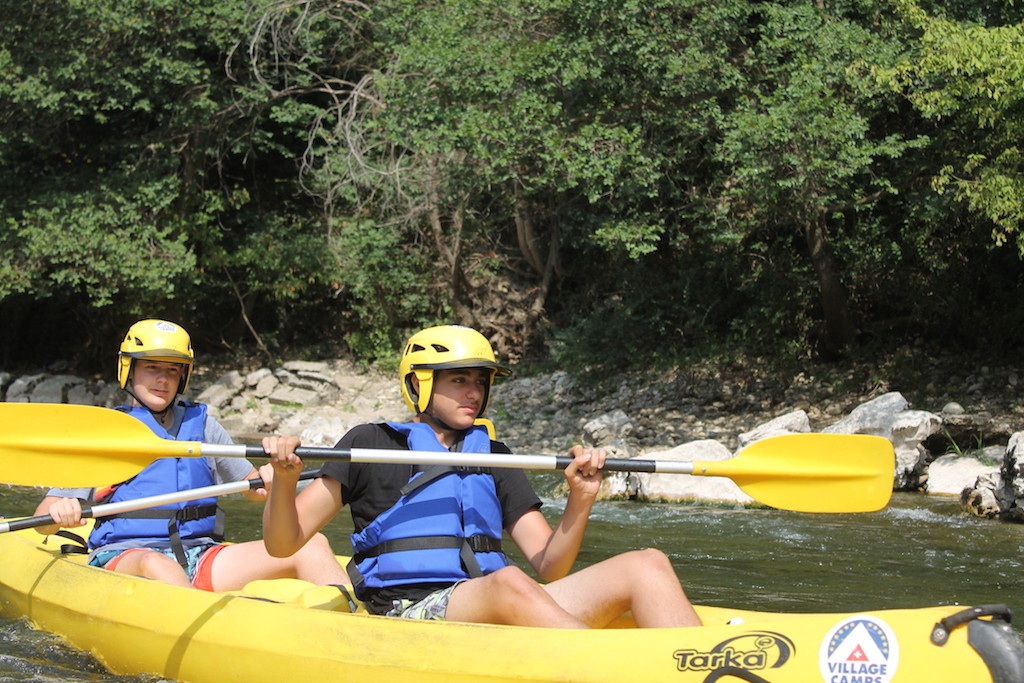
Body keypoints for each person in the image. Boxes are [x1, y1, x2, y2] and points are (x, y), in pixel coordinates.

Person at [262, 324, 703, 628]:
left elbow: (551, 564)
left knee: (647, 564)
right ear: (419, 384)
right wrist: (284, 480)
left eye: (480, 381)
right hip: (412, 610)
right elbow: (283, 544)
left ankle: (696, 663)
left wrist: (581, 497)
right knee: (508, 584)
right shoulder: (370, 444)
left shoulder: (494, 456)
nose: (475, 392)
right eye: (459, 380)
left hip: (497, 599)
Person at [34, 318, 349, 591]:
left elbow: (254, 489)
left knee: (313, 545)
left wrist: (277, 477)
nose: (163, 379)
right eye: (152, 368)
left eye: (173, 370)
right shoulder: (104, 435)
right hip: (128, 555)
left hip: (199, 554)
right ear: (128, 370)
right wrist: (60, 512)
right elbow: (41, 519)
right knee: (158, 564)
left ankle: (356, 629)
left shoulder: (203, 427)